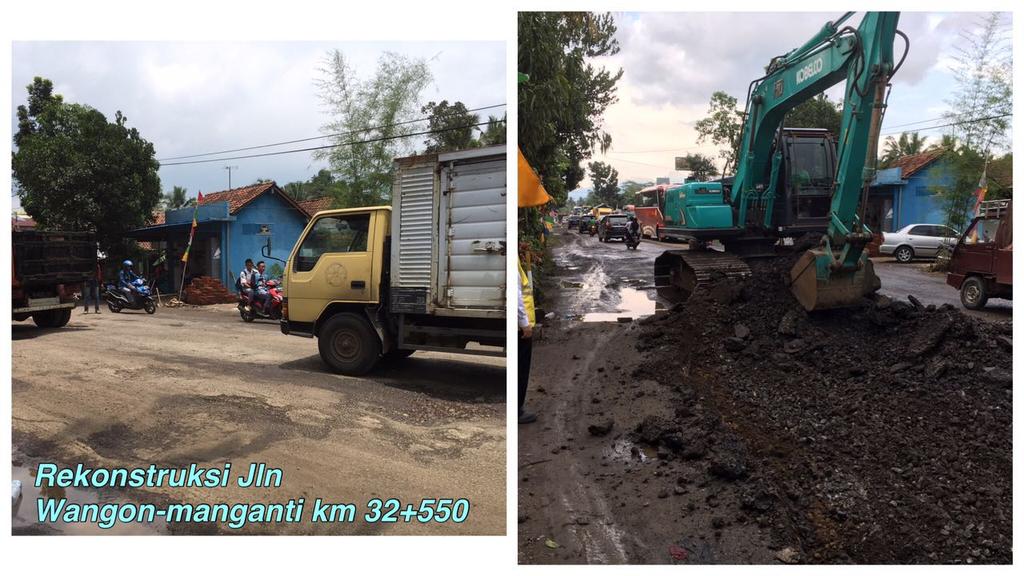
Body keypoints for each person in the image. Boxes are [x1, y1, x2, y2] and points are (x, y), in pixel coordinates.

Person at [518, 257, 537, 424]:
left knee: (520, 367)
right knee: (521, 369)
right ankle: (517, 410)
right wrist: (524, 323)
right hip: (520, 327)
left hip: (520, 324)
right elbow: (516, 293)